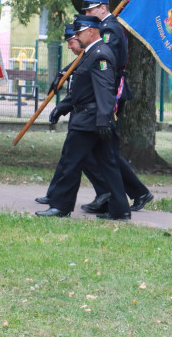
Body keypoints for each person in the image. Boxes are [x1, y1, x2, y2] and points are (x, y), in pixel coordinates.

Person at [37, 15, 130, 220]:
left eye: (79, 33)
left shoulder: (100, 54)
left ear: (91, 31)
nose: (76, 37)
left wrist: (104, 119)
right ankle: (120, 210)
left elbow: (105, 90)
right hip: (92, 118)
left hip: (89, 120)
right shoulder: (91, 53)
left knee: (71, 162)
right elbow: (83, 89)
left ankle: (61, 206)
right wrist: (62, 107)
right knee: (109, 165)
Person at [80, 0, 154, 212]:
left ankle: (127, 193)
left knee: (106, 149)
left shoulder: (110, 28)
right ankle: (116, 193)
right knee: (101, 149)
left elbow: (105, 60)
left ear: (103, 8)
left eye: (91, 10)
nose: (88, 14)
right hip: (103, 93)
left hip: (109, 94)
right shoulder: (104, 27)